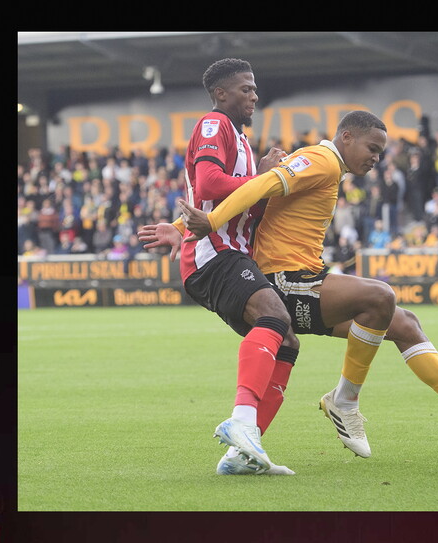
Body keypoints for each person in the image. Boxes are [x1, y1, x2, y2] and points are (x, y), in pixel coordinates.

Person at [177, 110, 438, 460]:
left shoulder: (329, 167)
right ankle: (344, 401)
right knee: (380, 297)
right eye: (372, 149)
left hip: (303, 280)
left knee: (404, 323)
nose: (376, 159)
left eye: (380, 153)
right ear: (346, 137)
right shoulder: (323, 160)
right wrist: (210, 220)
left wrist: (179, 228)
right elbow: (264, 184)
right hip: (283, 282)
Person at [137, 58, 297, 476]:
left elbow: (233, 202)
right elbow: (207, 184)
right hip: (212, 253)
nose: (254, 95)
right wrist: (263, 179)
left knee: (288, 342)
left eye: (255, 88)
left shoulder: (241, 141)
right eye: (246, 88)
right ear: (221, 93)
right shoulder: (214, 125)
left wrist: (264, 180)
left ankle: (242, 455)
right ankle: (241, 423)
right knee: (273, 314)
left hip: (230, 252)